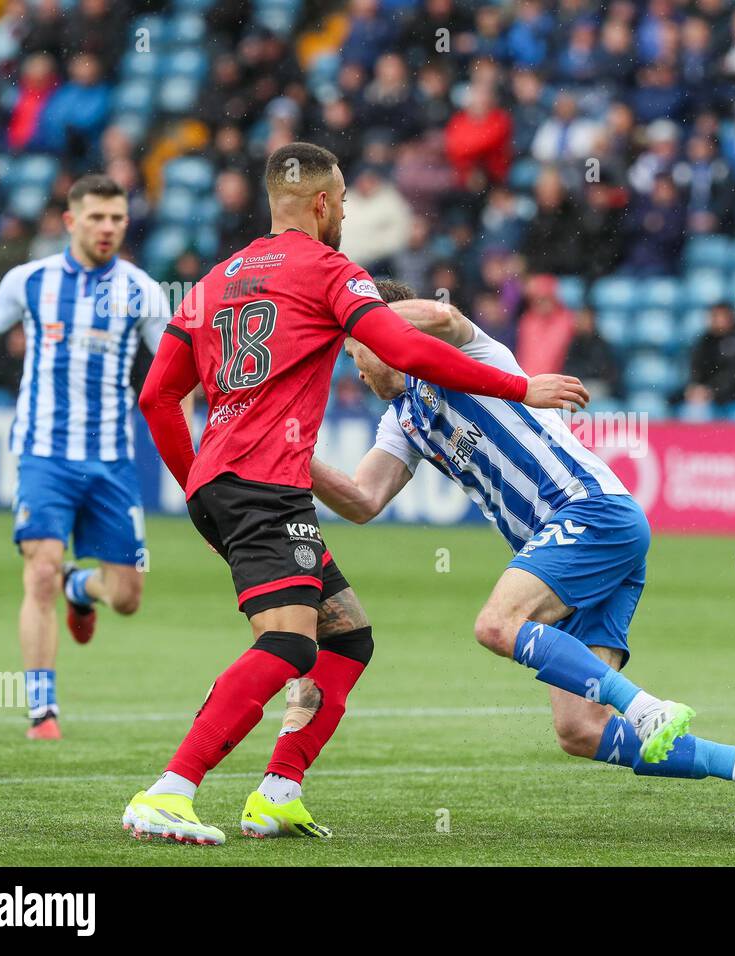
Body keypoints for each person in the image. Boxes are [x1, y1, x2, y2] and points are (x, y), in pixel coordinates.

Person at [126, 142, 588, 846]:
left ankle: (277, 792)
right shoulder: (330, 269)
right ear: (321, 203)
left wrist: (196, 479)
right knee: (286, 645)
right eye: (342, 202)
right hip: (264, 484)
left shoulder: (213, 281)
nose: (344, 212)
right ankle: (170, 790)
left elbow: (159, 396)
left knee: (346, 635)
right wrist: (520, 385)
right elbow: (402, 349)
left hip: (223, 480)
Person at [310, 280, 735, 840]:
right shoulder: (402, 421)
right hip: (574, 545)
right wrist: (296, 459)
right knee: (580, 730)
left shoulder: (466, 354)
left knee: (496, 624)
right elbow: (362, 499)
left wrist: (364, 315)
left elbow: (444, 316)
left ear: (381, 336)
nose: (357, 371)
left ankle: (644, 707)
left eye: (356, 354)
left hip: (590, 511)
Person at [0, 175, 172, 741]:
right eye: (96, 218)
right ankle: (42, 712)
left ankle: (81, 588)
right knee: (39, 569)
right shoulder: (30, 280)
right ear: (71, 222)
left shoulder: (142, 289)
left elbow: (175, 362)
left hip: (112, 460)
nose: (108, 228)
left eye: (117, 219)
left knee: (126, 597)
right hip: (43, 452)